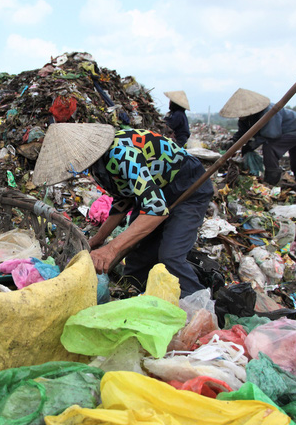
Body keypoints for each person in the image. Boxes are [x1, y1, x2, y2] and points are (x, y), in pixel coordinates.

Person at [33, 123, 214, 297]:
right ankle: (134, 295)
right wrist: (97, 240)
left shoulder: (122, 153)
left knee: (171, 256)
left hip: (186, 186)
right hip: (152, 191)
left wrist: (111, 249)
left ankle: (201, 306)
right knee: (138, 256)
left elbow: (156, 209)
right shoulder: (98, 165)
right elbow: (123, 200)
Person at [220, 88, 296, 195]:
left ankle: (271, 181)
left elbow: (272, 134)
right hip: (293, 130)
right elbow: (242, 133)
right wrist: (232, 142)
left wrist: (252, 145)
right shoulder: (245, 119)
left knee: (270, 147)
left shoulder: (269, 112)